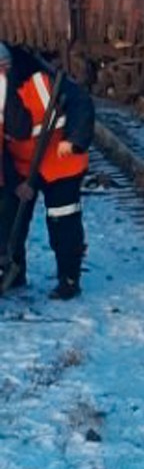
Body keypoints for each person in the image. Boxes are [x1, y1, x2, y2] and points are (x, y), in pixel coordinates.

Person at [0, 43, 94, 300]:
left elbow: (81, 104)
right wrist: (14, 180)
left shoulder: (42, 80)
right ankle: (14, 271)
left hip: (60, 162)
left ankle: (69, 279)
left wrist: (73, 140)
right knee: (11, 221)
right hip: (21, 166)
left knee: (63, 221)